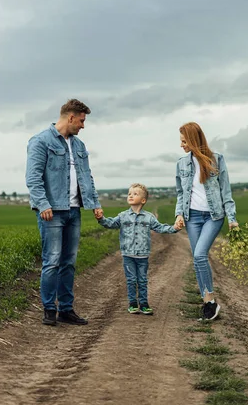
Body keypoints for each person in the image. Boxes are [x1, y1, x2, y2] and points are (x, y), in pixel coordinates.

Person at [26, 99, 103, 326]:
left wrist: (95, 203)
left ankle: (66, 310)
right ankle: (49, 309)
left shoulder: (79, 146)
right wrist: (43, 205)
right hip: (52, 212)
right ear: (70, 117)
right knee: (51, 261)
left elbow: (87, 177)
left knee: (69, 262)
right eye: (81, 120)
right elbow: (33, 178)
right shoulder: (40, 141)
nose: (83, 125)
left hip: (73, 211)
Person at [175, 122, 238, 321]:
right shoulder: (181, 164)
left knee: (200, 255)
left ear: (194, 140)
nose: (181, 145)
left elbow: (225, 191)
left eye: (184, 141)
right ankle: (207, 302)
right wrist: (179, 214)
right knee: (197, 258)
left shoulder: (216, 160)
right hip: (192, 217)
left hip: (213, 216)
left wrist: (232, 219)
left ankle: (210, 301)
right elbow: (180, 193)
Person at [95, 183, 182, 315]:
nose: (130, 195)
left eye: (135, 194)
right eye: (129, 193)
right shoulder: (123, 216)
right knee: (131, 279)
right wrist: (101, 219)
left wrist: (174, 228)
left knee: (142, 279)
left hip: (143, 255)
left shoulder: (149, 217)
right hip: (128, 254)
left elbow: (160, 227)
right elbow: (110, 223)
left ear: (143, 200)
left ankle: (144, 304)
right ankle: (132, 303)